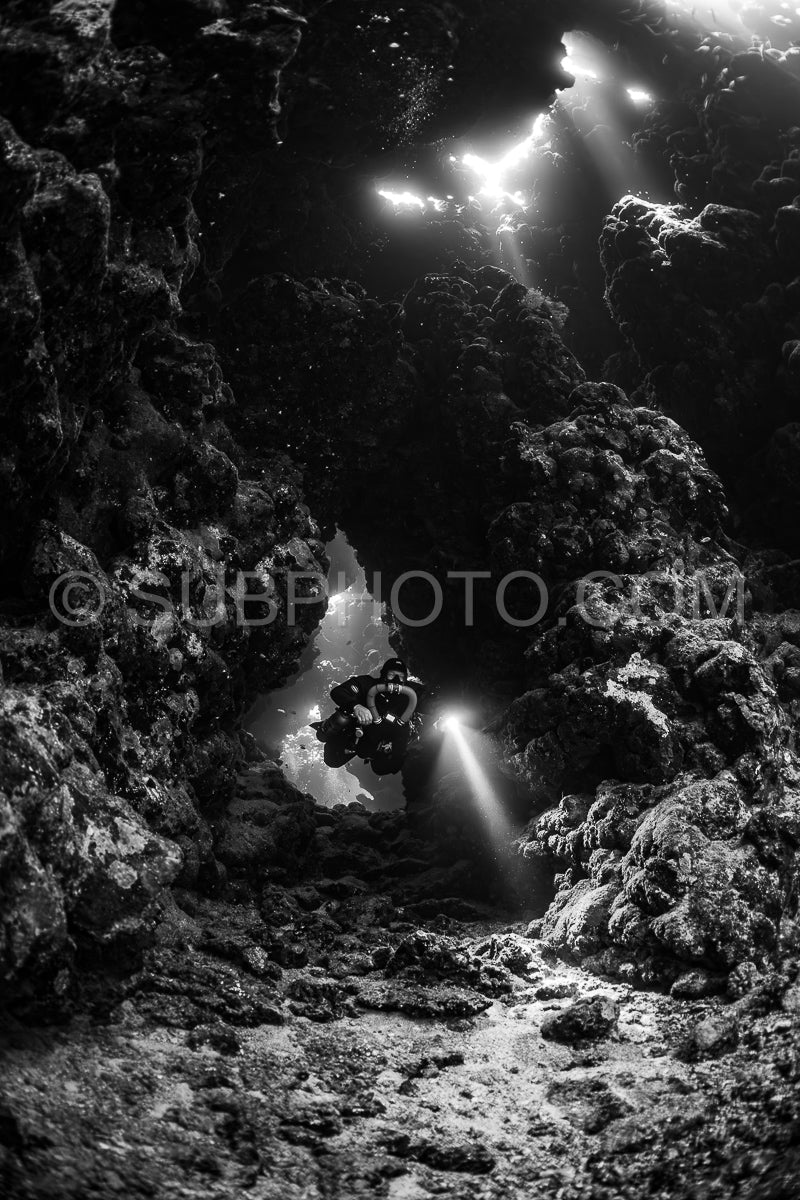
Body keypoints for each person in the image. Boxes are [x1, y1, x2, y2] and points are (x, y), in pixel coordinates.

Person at [311, 657, 428, 776]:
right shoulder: (367, 683)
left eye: (401, 676)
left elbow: (432, 702)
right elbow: (337, 692)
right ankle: (327, 728)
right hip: (357, 731)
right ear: (383, 675)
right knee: (332, 759)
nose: (396, 680)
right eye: (391, 675)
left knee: (382, 768)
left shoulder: (411, 692)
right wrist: (356, 706)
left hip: (382, 737)